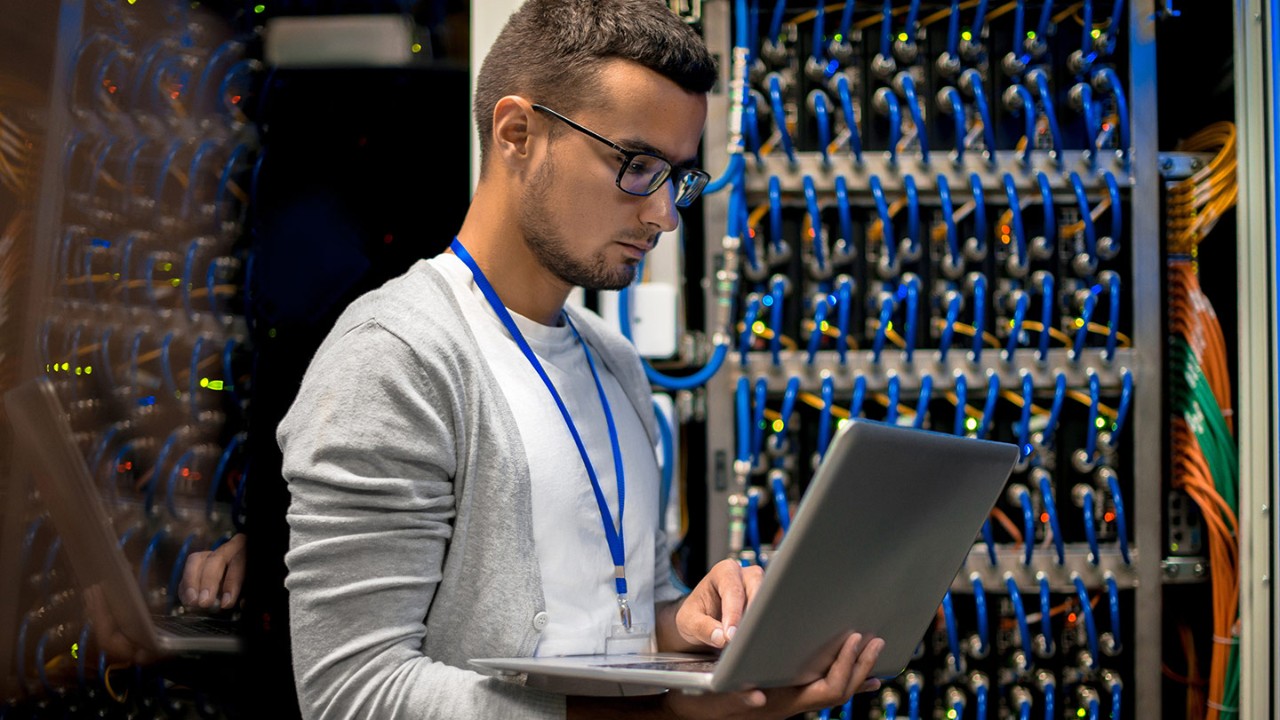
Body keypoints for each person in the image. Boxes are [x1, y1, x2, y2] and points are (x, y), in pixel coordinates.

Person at [276, 1, 885, 718]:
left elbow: (614, 622)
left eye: (677, 176)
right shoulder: (396, 358)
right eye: (636, 165)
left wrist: (693, 629)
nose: (664, 214)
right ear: (517, 133)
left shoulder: (614, 364)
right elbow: (351, 694)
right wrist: (662, 716)